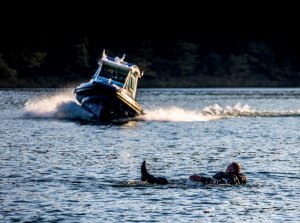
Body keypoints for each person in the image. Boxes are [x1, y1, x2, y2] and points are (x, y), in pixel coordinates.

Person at [141, 161, 247, 185]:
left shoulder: (232, 178)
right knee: (169, 182)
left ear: (229, 170)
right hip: (201, 186)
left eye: (226, 168)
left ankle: (148, 178)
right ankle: (148, 178)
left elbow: (219, 183)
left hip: (202, 187)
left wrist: (200, 178)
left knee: (167, 183)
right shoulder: (236, 178)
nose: (225, 170)